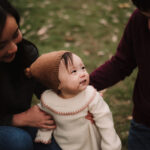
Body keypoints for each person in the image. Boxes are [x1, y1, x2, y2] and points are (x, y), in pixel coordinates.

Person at [25, 50, 121, 150]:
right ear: (57, 83)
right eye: (74, 71)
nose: (83, 74)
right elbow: (44, 116)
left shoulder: (90, 96)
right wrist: (44, 133)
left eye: (83, 68)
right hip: (64, 145)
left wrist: (110, 145)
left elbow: (105, 122)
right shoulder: (49, 100)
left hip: (90, 144)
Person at [0, 0, 61, 150]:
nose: (13, 48)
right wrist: (16, 119)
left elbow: (46, 89)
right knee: (17, 141)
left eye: (15, 34)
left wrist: (78, 98)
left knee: (58, 136)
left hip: (24, 121)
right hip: (11, 128)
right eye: (1, 46)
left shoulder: (26, 53)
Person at [90, 0, 150, 149]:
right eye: (147, 17)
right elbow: (121, 63)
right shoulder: (138, 19)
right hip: (143, 123)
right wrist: (85, 84)